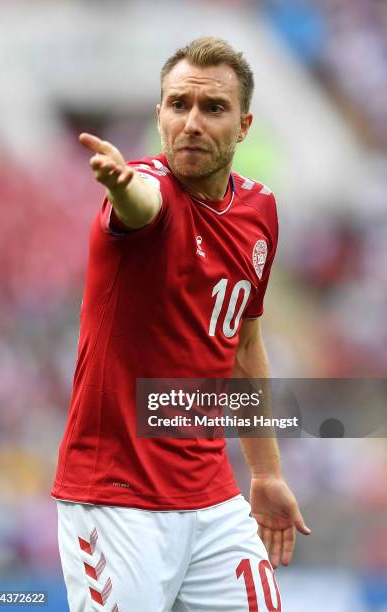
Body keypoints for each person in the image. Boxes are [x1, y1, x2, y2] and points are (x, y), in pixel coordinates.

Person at [52, 36, 311, 611]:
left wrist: (266, 473)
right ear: (159, 115)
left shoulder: (259, 210)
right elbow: (142, 203)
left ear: (244, 127)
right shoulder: (145, 192)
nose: (191, 122)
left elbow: (244, 346)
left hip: (212, 498)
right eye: (178, 105)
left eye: (212, 108)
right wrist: (122, 186)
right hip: (116, 501)